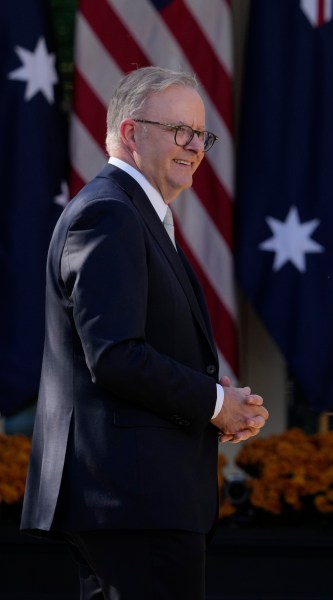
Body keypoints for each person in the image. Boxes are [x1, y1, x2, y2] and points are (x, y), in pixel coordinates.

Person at [20, 66, 269, 598]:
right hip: (131, 499)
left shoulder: (133, 214)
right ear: (131, 133)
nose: (195, 146)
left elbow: (136, 347)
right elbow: (114, 355)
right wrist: (211, 402)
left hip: (139, 500)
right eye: (180, 130)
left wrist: (220, 399)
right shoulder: (110, 213)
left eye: (202, 135)